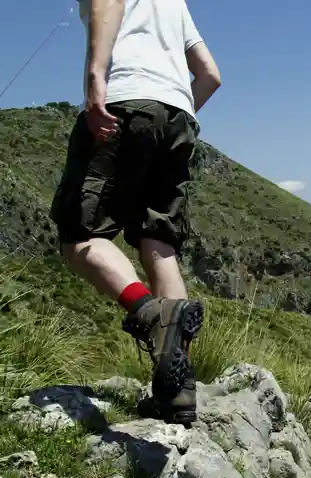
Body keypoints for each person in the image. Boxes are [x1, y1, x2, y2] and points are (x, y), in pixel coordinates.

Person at [49, 0, 222, 425]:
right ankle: (177, 392)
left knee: (79, 235)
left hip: (125, 101)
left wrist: (95, 77)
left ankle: (148, 311)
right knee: (158, 242)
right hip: (179, 113)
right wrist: (170, 114)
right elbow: (210, 75)